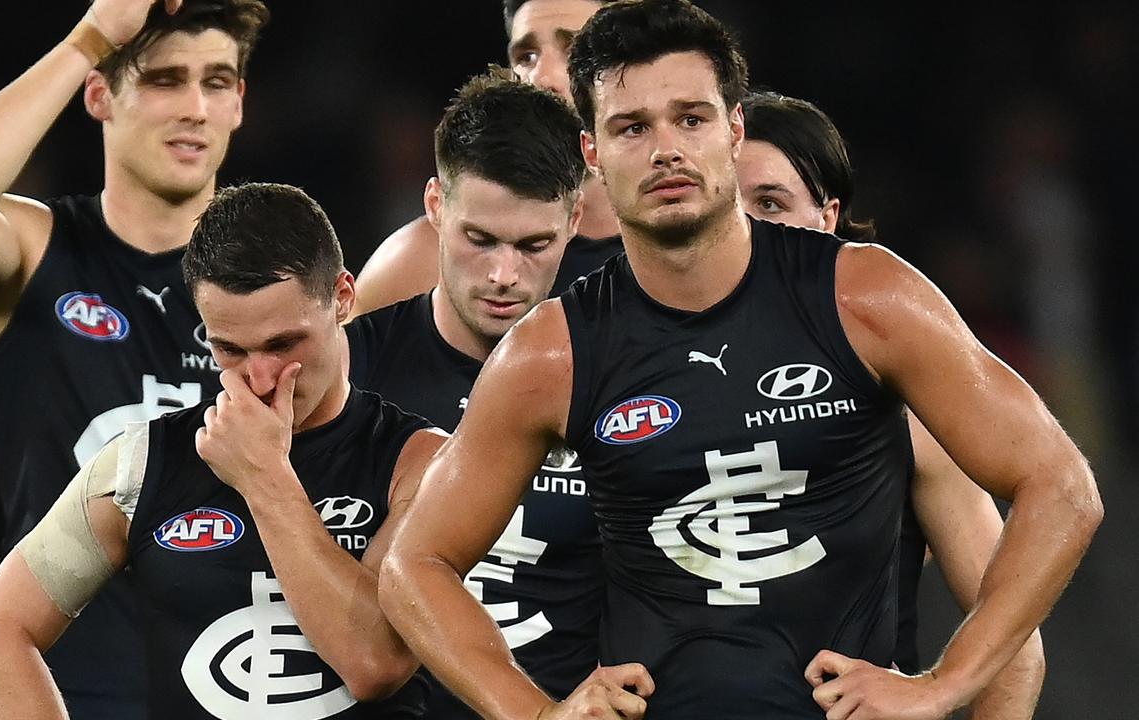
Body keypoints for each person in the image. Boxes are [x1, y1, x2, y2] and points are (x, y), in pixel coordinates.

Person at [378, 2, 1102, 719]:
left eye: (689, 119)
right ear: (590, 153)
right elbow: (415, 568)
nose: (665, 149)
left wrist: (942, 684)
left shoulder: (866, 298)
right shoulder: (551, 350)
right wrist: (535, 715)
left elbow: (1060, 484)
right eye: (632, 126)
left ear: (733, 128)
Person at [0, 0, 268, 713]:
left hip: (246, 684)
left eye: (216, 82)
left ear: (238, 102)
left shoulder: (284, 281)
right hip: (70, 691)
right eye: (163, 79)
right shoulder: (42, 252)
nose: (194, 106)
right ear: (99, 94)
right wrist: (86, 40)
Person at [0, 182, 446, 718]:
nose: (259, 379)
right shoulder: (143, 464)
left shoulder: (421, 463)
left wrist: (263, 475)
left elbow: (375, 663)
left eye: (285, 344)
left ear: (343, 299)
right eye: (229, 349)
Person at [738, 90, 1046, 719]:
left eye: (770, 203)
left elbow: (1014, 648)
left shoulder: (905, 411)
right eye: (726, 204)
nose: (744, 229)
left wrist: (935, 689)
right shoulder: (621, 387)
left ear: (826, 217)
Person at [345, 71, 595, 718]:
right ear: (434, 204)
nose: (503, 276)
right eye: (478, 239)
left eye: (534, 245)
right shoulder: (350, 372)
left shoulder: (617, 376)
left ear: (574, 219)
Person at [351, 0, 616, 316]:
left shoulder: (685, 250)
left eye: (574, 51)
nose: (542, 78)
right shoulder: (420, 264)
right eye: (527, 57)